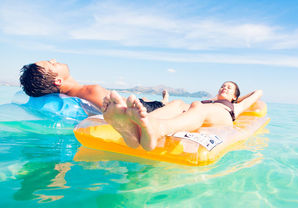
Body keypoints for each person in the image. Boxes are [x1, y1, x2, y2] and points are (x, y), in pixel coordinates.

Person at [102, 81, 263, 151]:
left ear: (235, 96)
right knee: (178, 103)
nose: (224, 88)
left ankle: (158, 129)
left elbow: (258, 92)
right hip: (201, 112)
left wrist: (234, 99)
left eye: (229, 88)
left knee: (198, 107)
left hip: (222, 117)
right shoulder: (208, 101)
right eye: (222, 86)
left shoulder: (235, 106)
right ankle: (136, 129)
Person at [19, 59, 172, 112]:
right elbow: (121, 113)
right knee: (168, 104)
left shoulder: (63, 95)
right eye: (51, 63)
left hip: (127, 100)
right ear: (58, 81)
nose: (53, 60)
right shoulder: (91, 90)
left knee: (141, 98)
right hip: (139, 107)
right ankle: (163, 101)